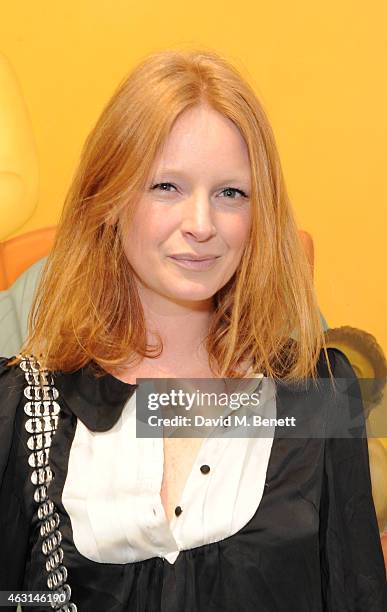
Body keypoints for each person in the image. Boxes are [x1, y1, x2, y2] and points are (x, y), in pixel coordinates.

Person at [0, 48, 385, 612]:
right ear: (109, 200)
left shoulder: (320, 395)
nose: (201, 225)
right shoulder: (22, 412)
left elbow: (355, 594)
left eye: (230, 193)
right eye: (166, 187)